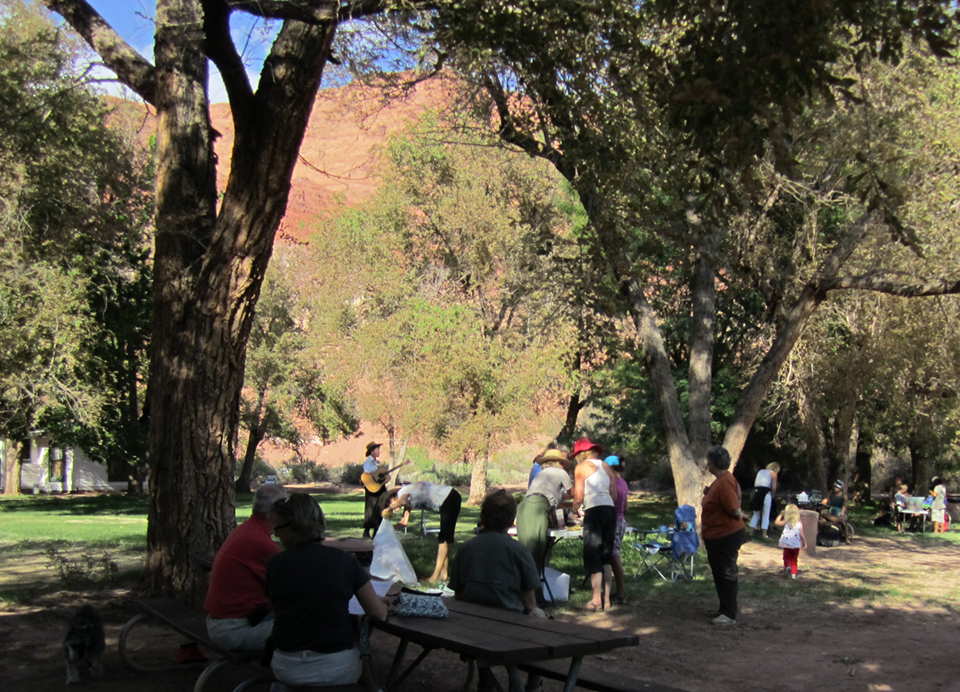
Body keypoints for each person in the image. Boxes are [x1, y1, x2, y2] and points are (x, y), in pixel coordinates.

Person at [265, 494, 388, 689]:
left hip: (285, 666)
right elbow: (378, 613)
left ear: (296, 526)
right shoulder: (345, 561)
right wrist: (383, 602)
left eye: (278, 528)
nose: (275, 534)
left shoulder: (275, 563)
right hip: (333, 668)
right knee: (358, 648)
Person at [449, 490, 544, 692]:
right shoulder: (519, 551)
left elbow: (458, 596)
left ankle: (486, 679)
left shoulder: (466, 548)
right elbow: (529, 604)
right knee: (545, 628)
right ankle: (535, 685)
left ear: (483, 517)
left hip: (470, 626)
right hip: (510, 625)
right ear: (511, 520)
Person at [203, 483, 288, 651]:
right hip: (234, 629)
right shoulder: (261, 543)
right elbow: (291, 586)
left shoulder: (246, 530)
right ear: (274, 514)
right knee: (309, 627)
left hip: (224, 621)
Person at [570, 437, 618, 612]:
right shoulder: (607, 467)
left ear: (581, 454)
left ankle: (595, 600)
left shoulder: (581, 468)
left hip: (594, 510)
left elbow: (578, 495)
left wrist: (576, 510)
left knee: (593, 553)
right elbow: (614, 496)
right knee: (606, 554)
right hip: (610, 511)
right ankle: (606, 600)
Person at [701, 446, 746, 626]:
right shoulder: (719, 481)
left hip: (726, 535)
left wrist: (741, 515)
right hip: (716, 535)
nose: (707, 464)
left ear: (714, 462)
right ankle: (724, 608)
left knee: (726, 573)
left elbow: (734, 509)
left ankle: (729, 614)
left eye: (709, 461)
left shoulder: (725, 481)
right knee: (720, 573)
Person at [383, 481, 462, 583]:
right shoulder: (408, 499)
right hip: (450, 498)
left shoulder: (402, 493)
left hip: (448, 498)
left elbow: (401, 501)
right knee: (446, 538)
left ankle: (434, 577)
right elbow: (403, 523)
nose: (393, 509)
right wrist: (388, 528)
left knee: (444, 539)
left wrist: (389, 509)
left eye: (390, 503)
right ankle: (444, 574)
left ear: (392, 499)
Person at [516, 448, 573, 585]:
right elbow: (573, 494)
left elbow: (556, 499)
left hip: (524, 507)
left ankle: (526, 592)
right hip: (537, 507)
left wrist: (569, 505)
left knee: (524, 553)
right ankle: (534, 597)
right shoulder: (560, 472)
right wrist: (580, 502)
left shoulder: (542, 475)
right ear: (560, 463)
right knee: (535, 552)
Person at [605, 455, 630, 606]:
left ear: (611, 468)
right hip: (621, 520)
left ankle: (621, 593)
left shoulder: (612, 483)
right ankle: (617, 591)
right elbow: (626, 507)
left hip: (614, 520)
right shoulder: (624, 483)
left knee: (614, 557)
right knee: (614, 555)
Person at [774, 504, 807, 579]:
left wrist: (780, 515)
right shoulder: (799, 522)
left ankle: (787, 567)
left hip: (787, 543)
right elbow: (801, 534)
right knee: (794, 559)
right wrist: (804, 542)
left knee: (786, 557)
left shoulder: (787, 521)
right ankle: (793, 574)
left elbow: (777, 522)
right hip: (795, 544)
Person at [748, 462, 779, 537]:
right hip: (766, 492)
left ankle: (751, 532)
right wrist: (772, 494)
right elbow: (774, 487)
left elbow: (756, 483)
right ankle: (764, 534)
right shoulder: (773, 473)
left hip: (756, 492)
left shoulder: (760, 471)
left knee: (756, 514)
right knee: (766, 514)